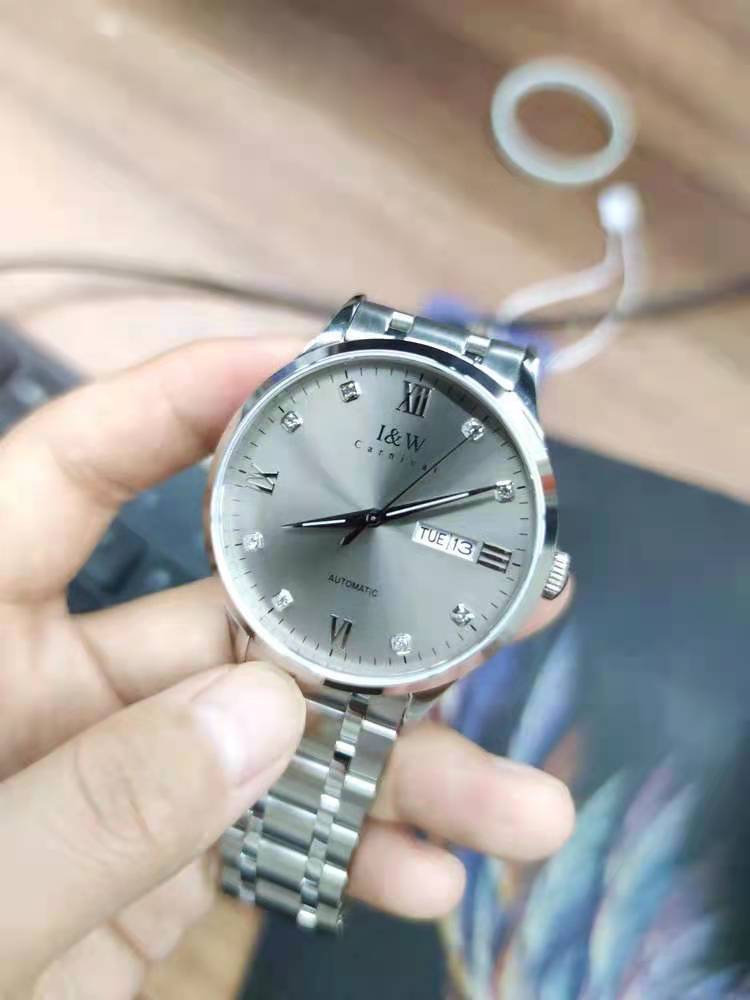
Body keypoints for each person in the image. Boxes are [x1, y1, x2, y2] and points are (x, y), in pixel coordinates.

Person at [0, 337, 574, 998]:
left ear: (539, 569)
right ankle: (253, 866)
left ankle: (259, 868)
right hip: (281, 623)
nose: (374, 520)